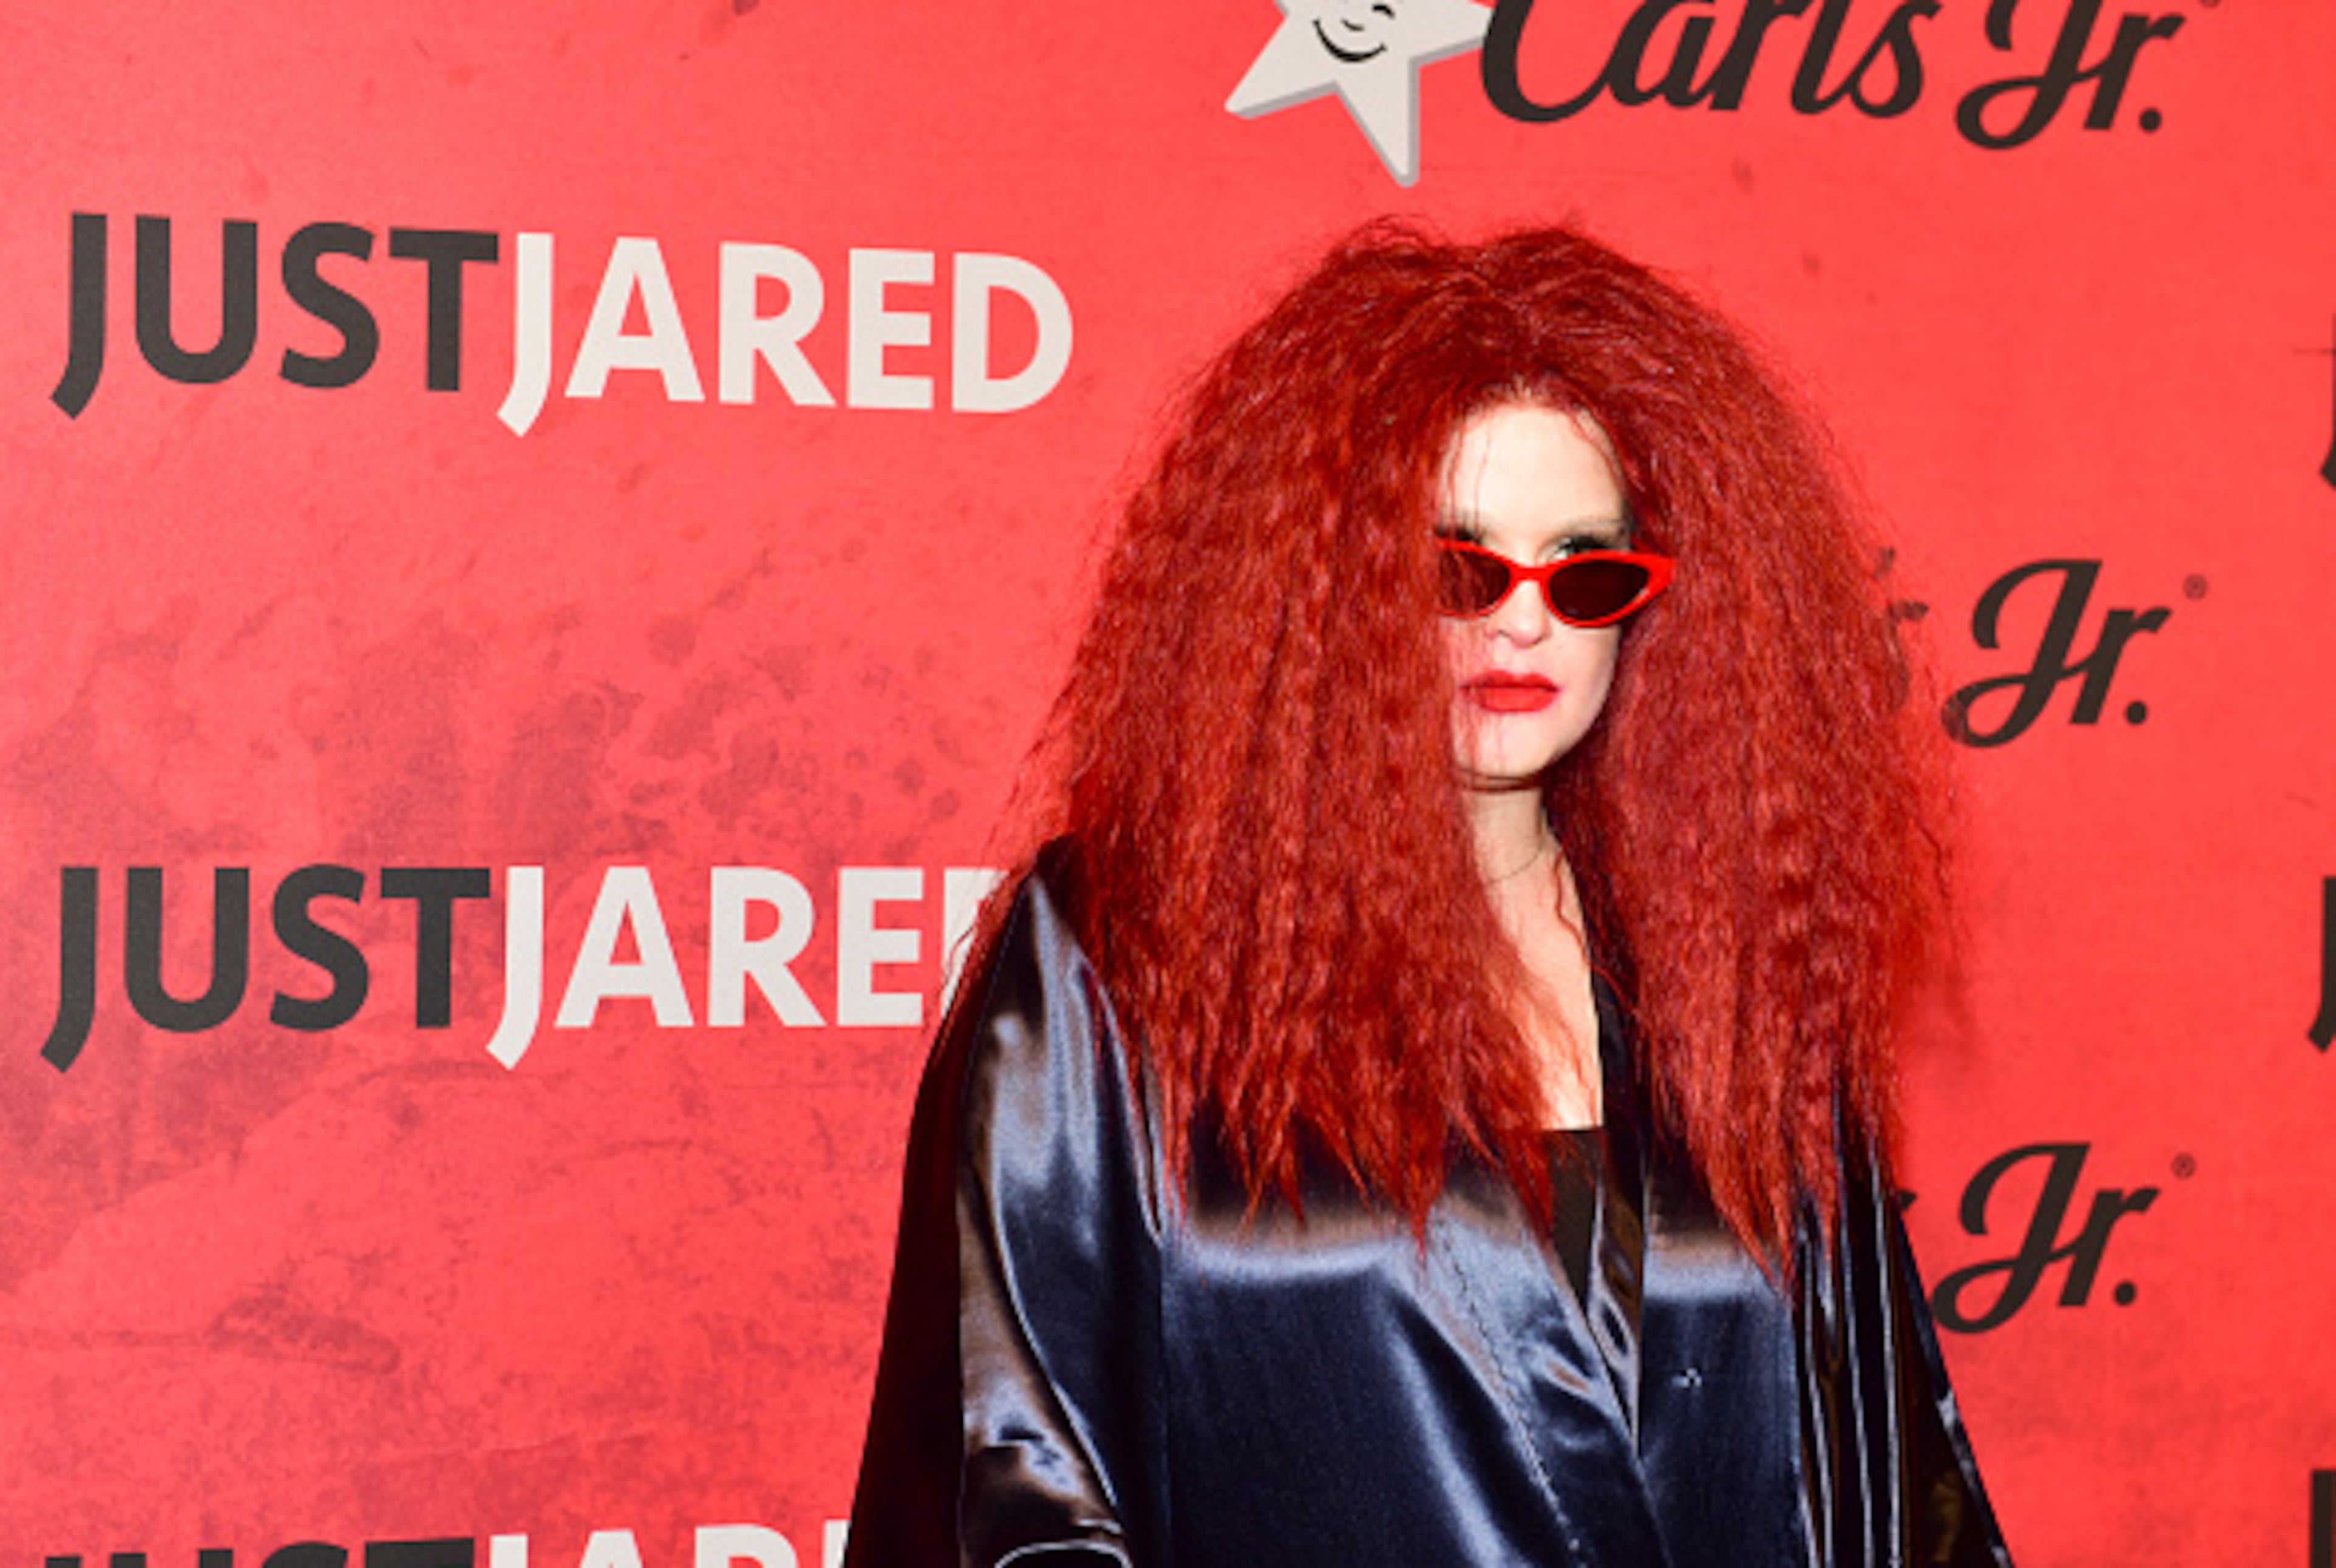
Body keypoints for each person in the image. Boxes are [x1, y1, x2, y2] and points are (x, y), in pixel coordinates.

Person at [841, 222, 2013, 1567]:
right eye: (1460, 565)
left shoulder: (1730, 973)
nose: (1524, 623)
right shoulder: (1117, 957)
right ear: (1330, 588)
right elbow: (1010, 1480)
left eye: (1585, 572)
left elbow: (1889, 1489)